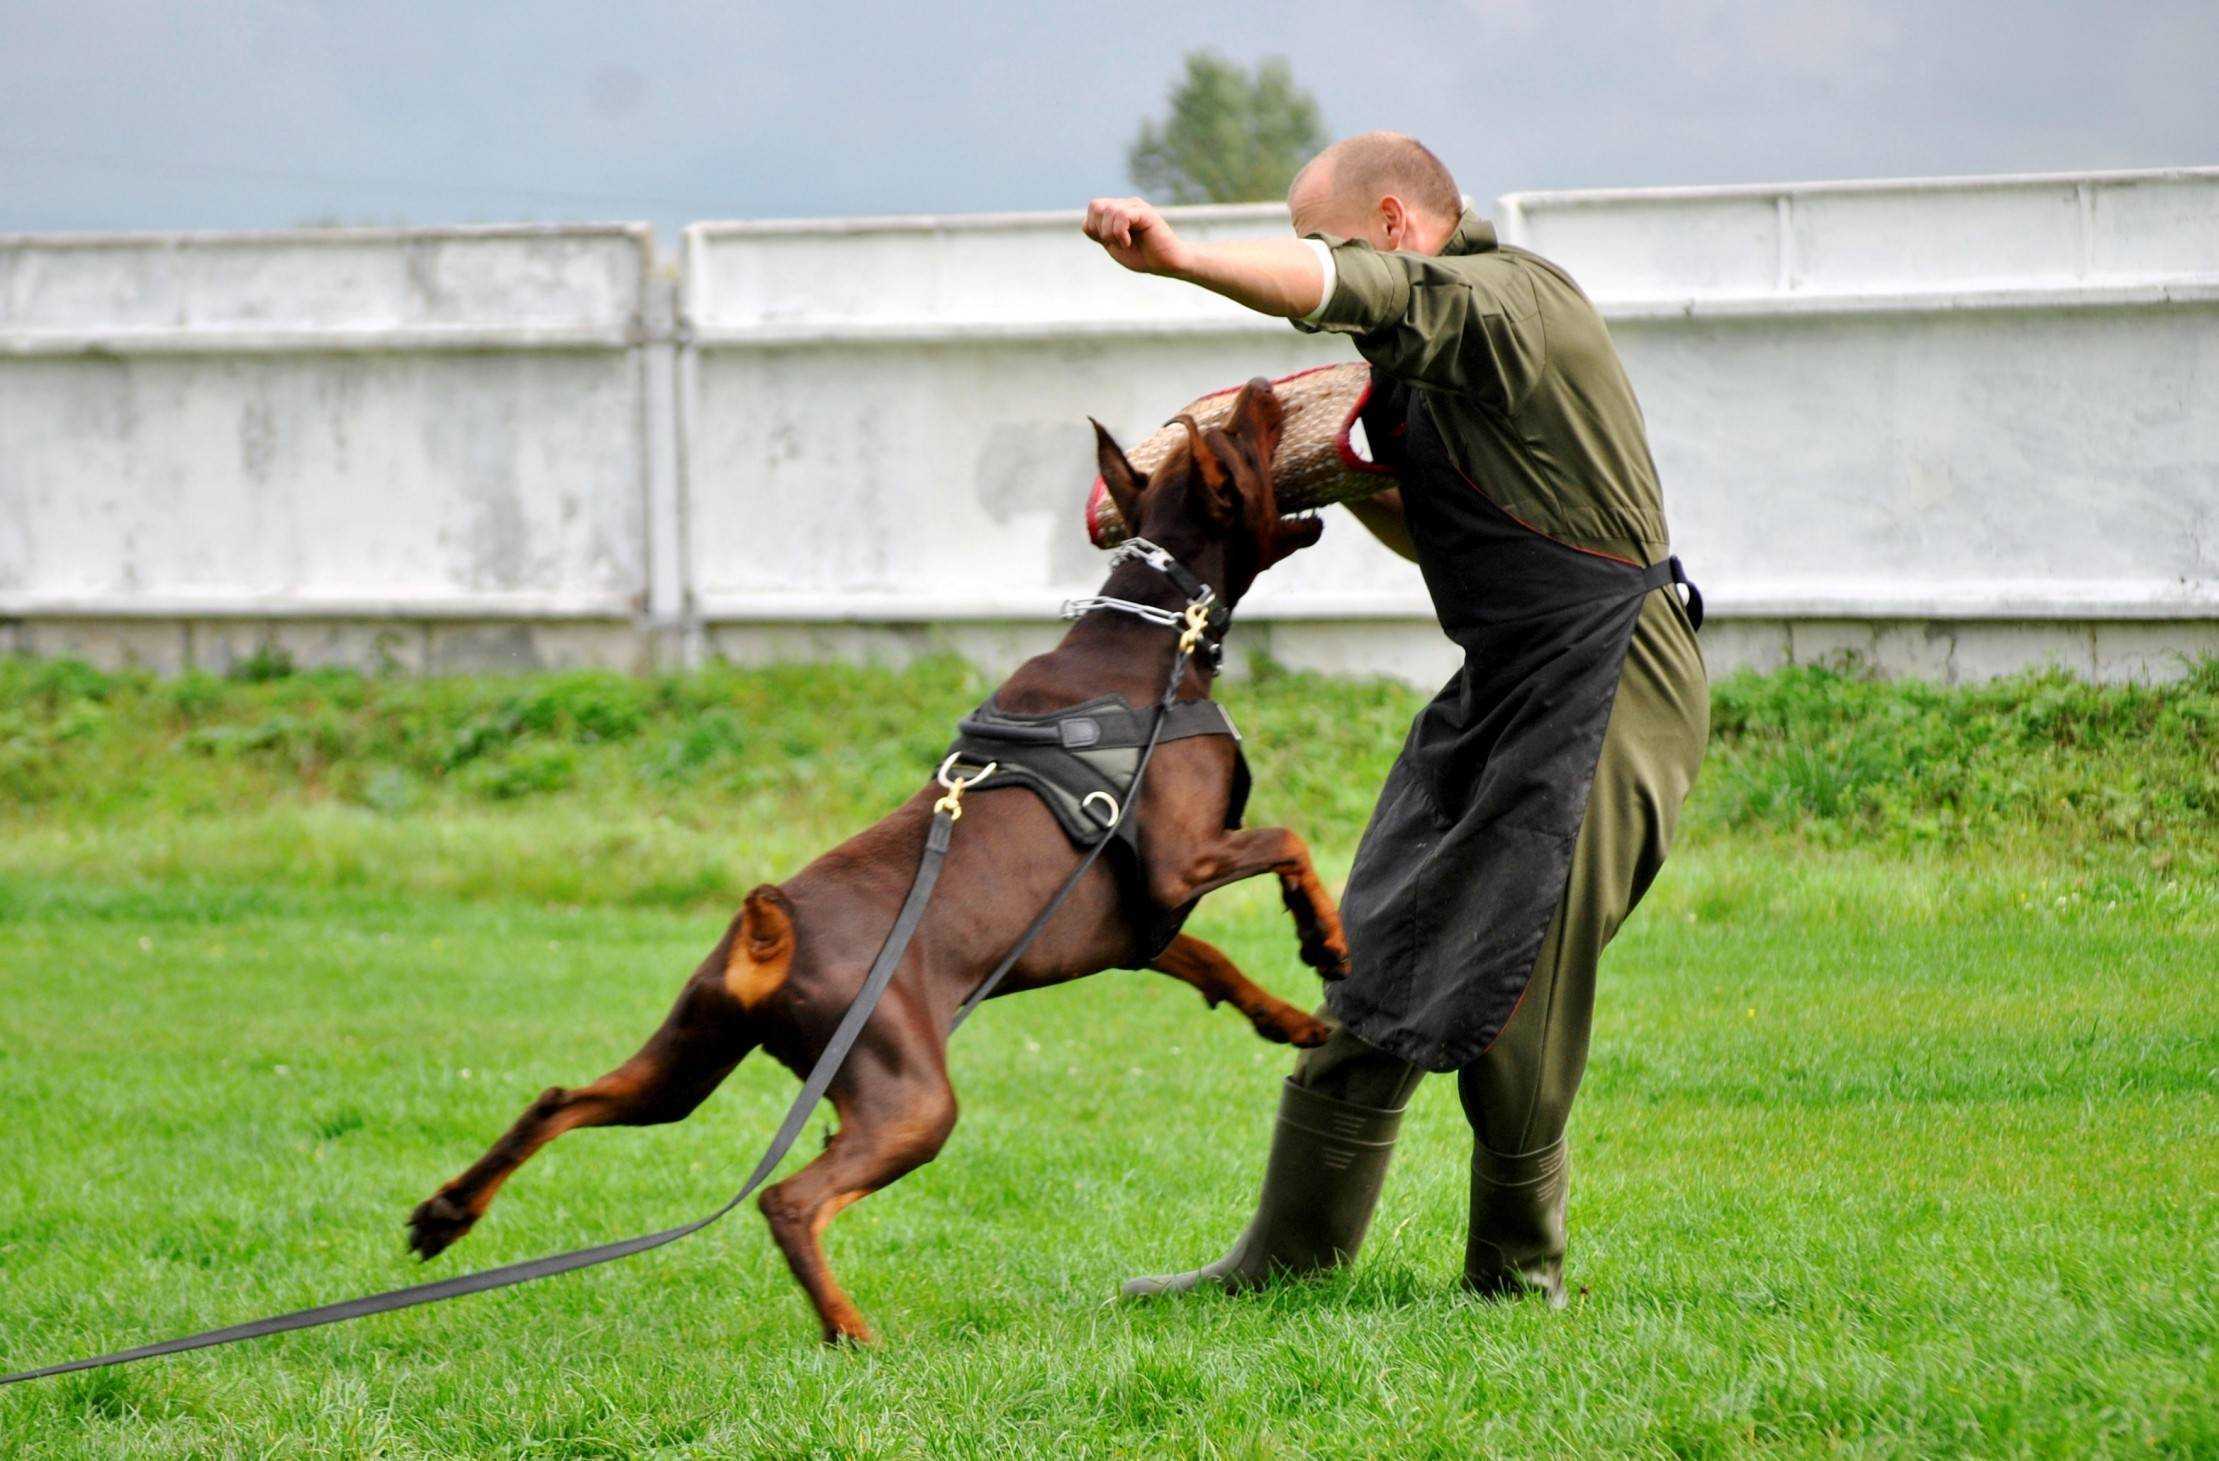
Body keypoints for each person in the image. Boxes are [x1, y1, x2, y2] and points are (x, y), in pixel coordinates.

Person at [1082, 132, 1708, 1305]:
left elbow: (1351, 289)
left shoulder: (1500, 304)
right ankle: (1283, 1265)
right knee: (1380, 942)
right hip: (1504, 678)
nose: (1322, 272)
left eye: (1325, 241)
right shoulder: (1424, 364)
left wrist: (1177, 259)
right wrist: (1364, 485)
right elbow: (1446, 542)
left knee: (1518, 974)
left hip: (1614, 679)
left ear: (1395, 219)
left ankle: (1516, 1282)